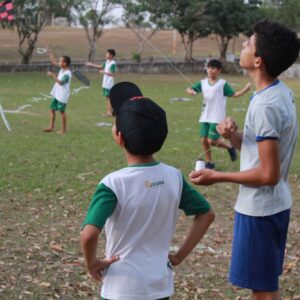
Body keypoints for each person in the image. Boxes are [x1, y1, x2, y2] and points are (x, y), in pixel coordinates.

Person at [190, 20, 300, 300]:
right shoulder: (275, 93)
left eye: (248, 43)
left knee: (263, 292)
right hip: (273, 205)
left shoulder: (265, 105)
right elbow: (259, 151)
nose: (243, 45)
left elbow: (267, 174)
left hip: (261, 211)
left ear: (259, 60)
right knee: (263, 286)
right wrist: (234, 135)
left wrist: (217, 177)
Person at [81, 82, 215, 300]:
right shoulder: (173, 177)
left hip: (120, 289)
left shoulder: (112, 184)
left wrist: (92, 264)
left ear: (120, 138)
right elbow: (206, 214)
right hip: (159, 287)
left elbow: (88, 235)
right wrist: (179, 256)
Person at [186, 59, 251, 169]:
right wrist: (191, 91)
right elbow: (190, 89)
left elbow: (233, 94)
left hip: (217, 116)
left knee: (211, 140)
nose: (210, 70)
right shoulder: (202, 83)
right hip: (205, 116)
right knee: (204, 140)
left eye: (213, 68)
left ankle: (230, 147)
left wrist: (245, 89)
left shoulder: (222, 84)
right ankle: (210, 162)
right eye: (209, 68)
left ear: (219, 70)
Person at [43, 47, 72, 134]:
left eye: (60, 61)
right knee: (52, 109)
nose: (59, 63)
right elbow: (53, 62)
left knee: (62, 112)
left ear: (65, 63)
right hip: (57, 93)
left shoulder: (67, 73)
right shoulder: (62, 69)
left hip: (63, 95)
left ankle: (64, 130)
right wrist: (50, 52)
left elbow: (61, 83)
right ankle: (51, 127)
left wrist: (52, 75)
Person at [85, 49, 117, 117]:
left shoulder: (113, 63)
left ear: (111, 55)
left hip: (109, 83)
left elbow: (113, 73)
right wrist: (91, 64)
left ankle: (109, 112)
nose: (106, 55)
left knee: (109, 97)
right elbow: (101, 66)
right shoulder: (107, 61)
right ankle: (109, 111)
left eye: (107, 54)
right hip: (105, 82)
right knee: (107, 97)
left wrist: (104, 72)